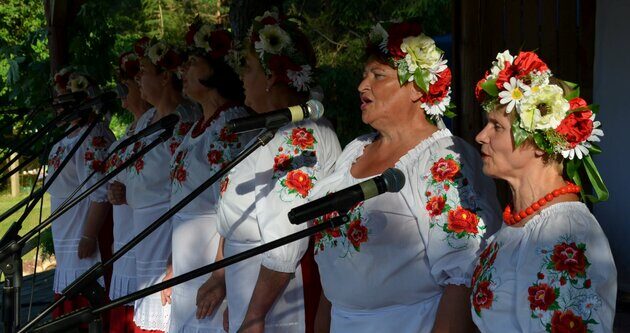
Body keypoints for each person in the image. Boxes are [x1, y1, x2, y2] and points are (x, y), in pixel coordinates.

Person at [309, 21, 501, 332]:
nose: (362, 85)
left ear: (416, 88)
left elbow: (464, 273)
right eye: (364, 75)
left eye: (378, 75)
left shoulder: (443, 158)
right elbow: (333, 262)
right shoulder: (355, 150)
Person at [197, 8, 341, 333]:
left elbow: (286, 238)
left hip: (279, 291)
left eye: (247, 68)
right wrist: (223, 280)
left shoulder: (301, 135)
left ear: (272, 75)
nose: (241, 78)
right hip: (248, 278)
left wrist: (255, 314)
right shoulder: (269, 129)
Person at [470, 50, 616, 332]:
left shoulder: (567, 232)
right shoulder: (518, 223)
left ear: (540, 143)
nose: (481, 136)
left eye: (497, 126)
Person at [160, 21, 251, 332]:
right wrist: (174, 262)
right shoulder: (199, 125)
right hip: (189, 260)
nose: (182, 71)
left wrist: (221, 275)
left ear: (216, 69)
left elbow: (235, 204)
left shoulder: (232, 122)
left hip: (212, 261)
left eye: (192, 62)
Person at [107, 37, 200, 332]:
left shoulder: (186, 121)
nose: (137, 80)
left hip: (167, 231)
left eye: (142, 72)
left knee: (164, 314)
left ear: (164, 77)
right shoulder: (147, 119)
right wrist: (120, 187)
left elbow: (185, 185)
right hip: (142, 232)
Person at [47, 67, 115, 320]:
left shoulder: (93, 136)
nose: (57, 105)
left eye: (63, 98)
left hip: (83, 233)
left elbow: (100, 192)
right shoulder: (66, 136)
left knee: (87, 304)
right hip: (66, 235)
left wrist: (88, 235)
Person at [106, 50, 153, 332]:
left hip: (144, 232)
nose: (121, 92)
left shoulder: (153, 124)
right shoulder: (130, 129)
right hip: (124, 231)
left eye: (127, 84)